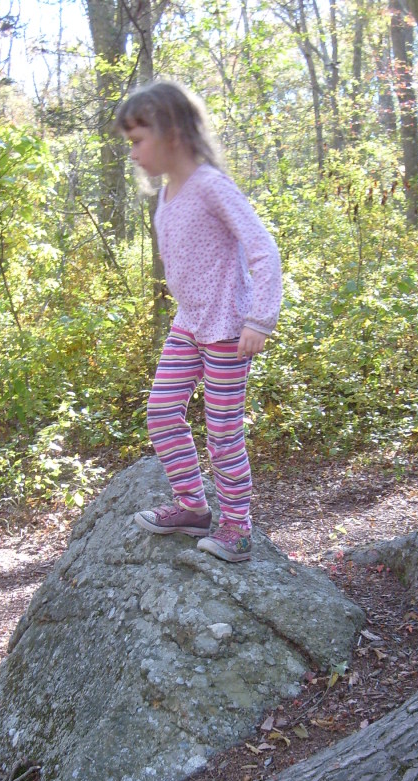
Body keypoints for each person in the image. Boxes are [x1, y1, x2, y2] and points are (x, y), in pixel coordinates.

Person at [116, 80, 282, 563]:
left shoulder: (211, 185)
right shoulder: (167, 197)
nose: (133, 153)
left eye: (137, 140)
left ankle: (237, 527)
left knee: (223, 428)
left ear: (172, 132)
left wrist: (260, 318)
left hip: (230, 325)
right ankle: (193, 506)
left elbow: (262, 248)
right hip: (189, 323)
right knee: (162, 412)